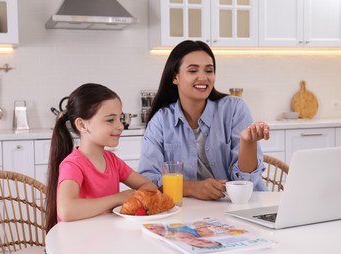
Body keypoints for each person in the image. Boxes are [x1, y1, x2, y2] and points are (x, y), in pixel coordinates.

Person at [138, 40, 270, 201]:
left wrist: (248, 142)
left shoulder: (235, 108)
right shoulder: (161, 121)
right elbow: (147, 181)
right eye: (193, 71)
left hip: (243, 205)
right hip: (190, 212)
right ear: (175, 77)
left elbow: (246, 181)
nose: (203, 77)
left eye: (209, 70)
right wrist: (192, 187)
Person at [45, 83, 157, 234]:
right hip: (75, 245)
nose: (120, 126)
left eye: (120, 118)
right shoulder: (73, 165)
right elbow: (66, 210)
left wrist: (132, 199)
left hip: (104, 238)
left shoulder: (113, 161)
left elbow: (148, 186)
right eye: (110, 120)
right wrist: (118, 198)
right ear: (82, 125)